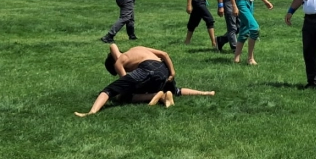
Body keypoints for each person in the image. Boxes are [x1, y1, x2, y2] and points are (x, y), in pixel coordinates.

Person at [74, 43, 214, 117]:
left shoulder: (119, 62)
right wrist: (172, 72)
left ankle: (91, 112)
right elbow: (164, 54)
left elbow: (125, 84)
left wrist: (122, 95)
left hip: (147, 68)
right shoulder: (138, 48)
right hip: (163, 68)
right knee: (175, 90)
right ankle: (205, 93)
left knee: (111, 91)